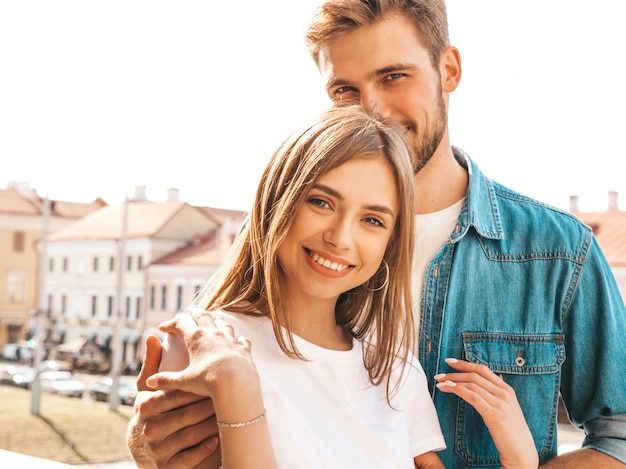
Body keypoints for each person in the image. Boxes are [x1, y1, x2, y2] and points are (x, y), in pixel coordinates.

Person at [128, 1, 626, 467]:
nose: (372, 110)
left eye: (393, 76)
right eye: (345, 90)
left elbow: (620, 437)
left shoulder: (559, 251)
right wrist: (149, 443)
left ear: (448, 69)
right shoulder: (282, 239)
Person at [143, 106, 445, 468]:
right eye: (321, 202)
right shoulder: (205, 346)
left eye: (372, 220)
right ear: (276, 201)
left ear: (390, 242)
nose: (341, 238)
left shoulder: (396, 372)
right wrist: (236, 385)